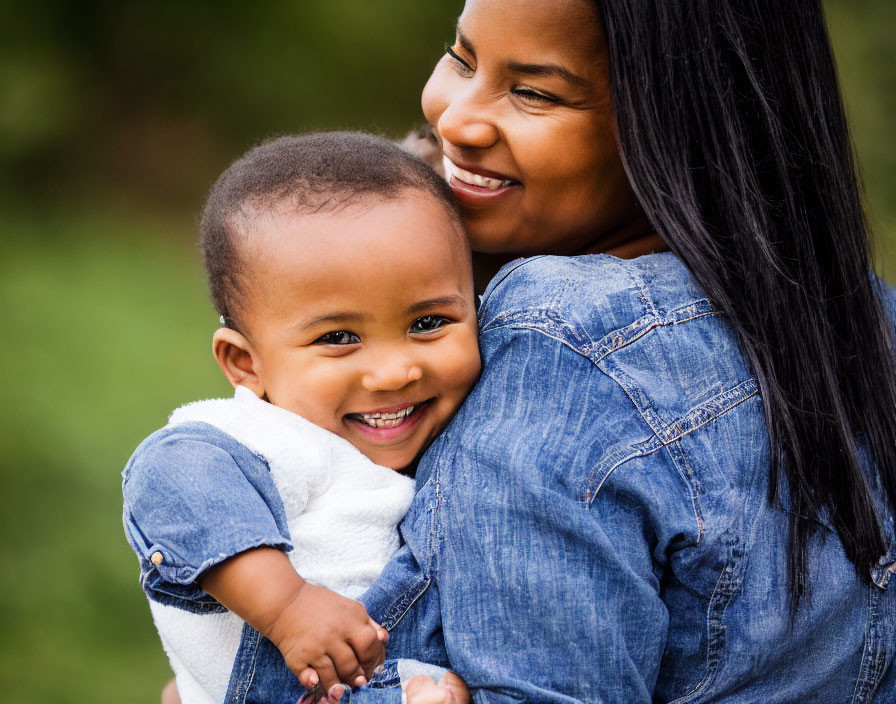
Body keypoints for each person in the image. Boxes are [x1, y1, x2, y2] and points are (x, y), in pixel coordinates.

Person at [148, 0, 896, 701]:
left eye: (535, 93)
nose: (458, 119)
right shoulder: (863, 319)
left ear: (683, 120)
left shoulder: (562, 341)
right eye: (460, 58)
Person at [121, 132, 479, 704]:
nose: (392, 372)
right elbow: (172, 477)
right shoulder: (266, 437)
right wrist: (287, 606)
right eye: (338, 338)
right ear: (246, 364)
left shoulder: (449, 437)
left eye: (429, 322)